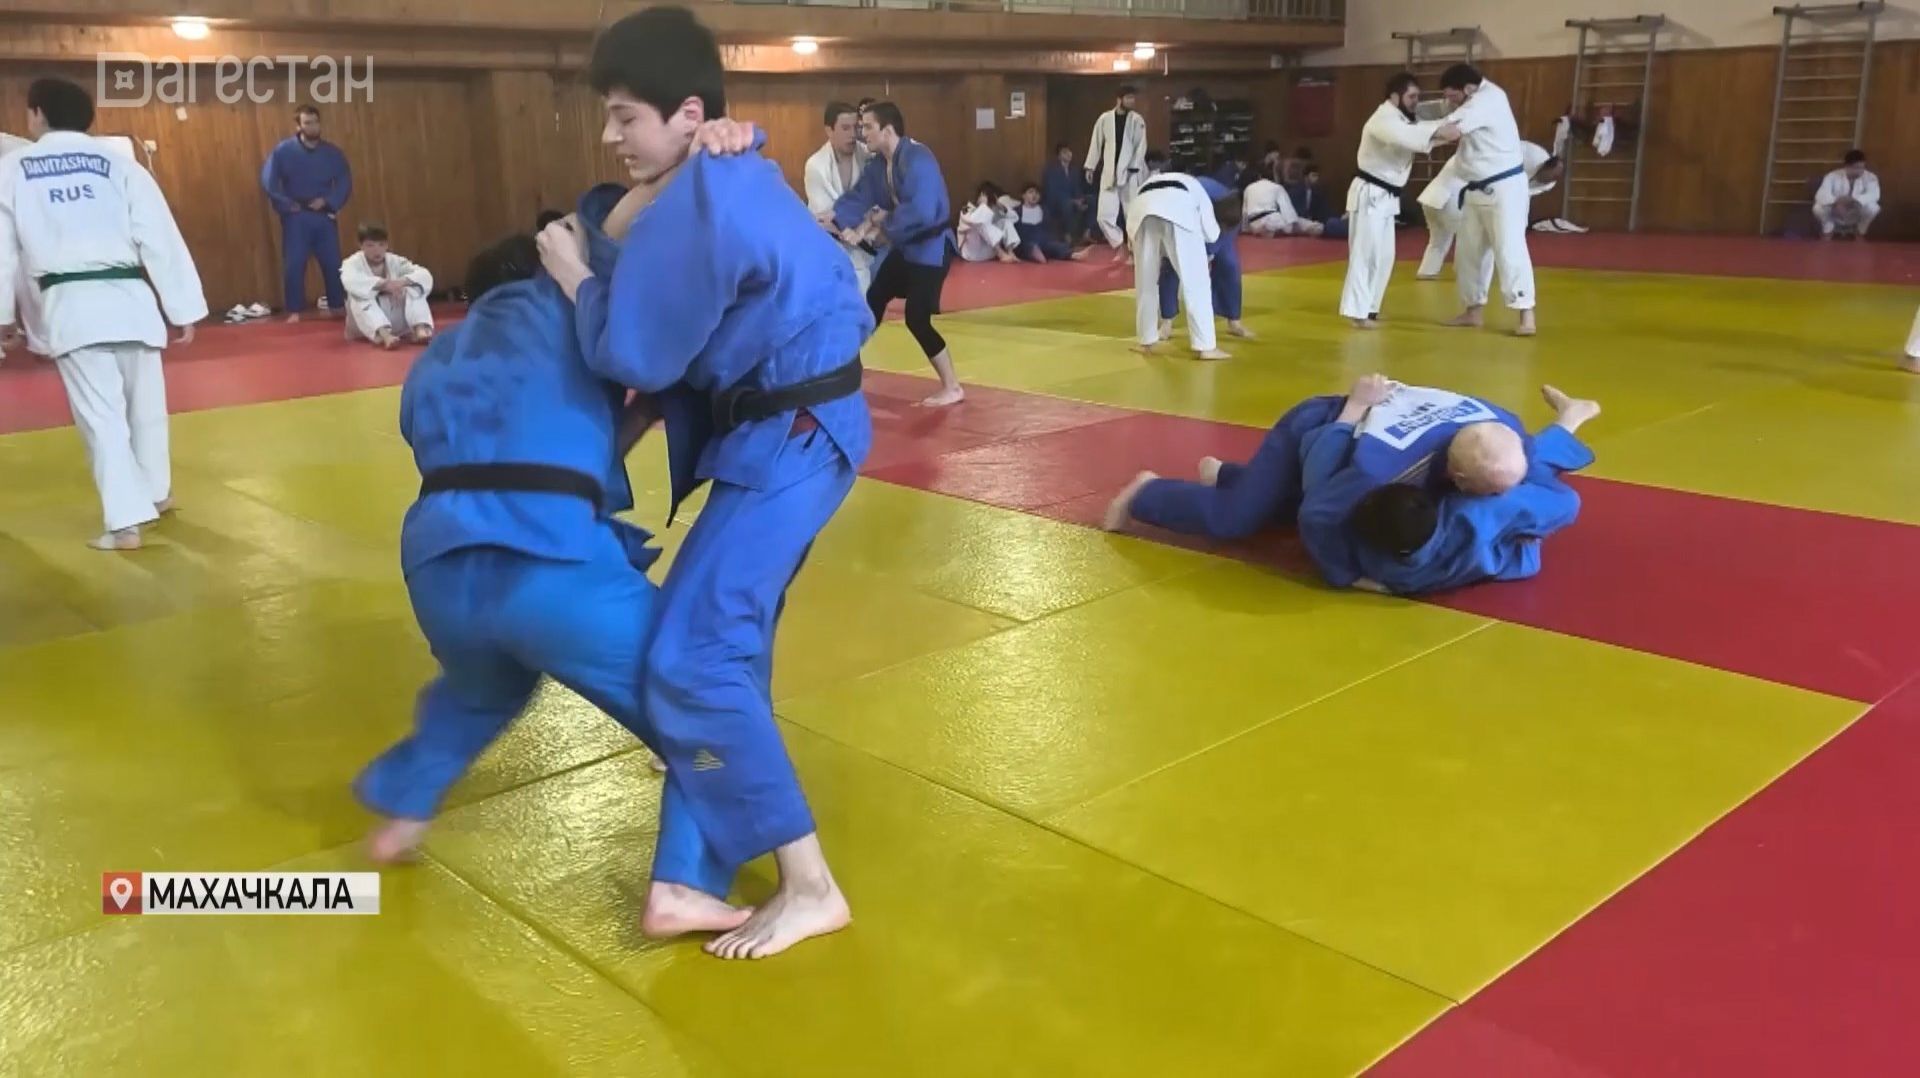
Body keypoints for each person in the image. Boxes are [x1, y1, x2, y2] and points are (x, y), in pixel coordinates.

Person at [536, 5, 868, 960]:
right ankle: (692, 855)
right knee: (720, 640)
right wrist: (713, 138)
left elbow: (635, 351)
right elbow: (639, 224)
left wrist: (572, 276)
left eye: (626, 117)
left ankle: (811, 887)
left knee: (694, 657)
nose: (611, 135)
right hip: (794, 431)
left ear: (686, 113)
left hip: (794, 439)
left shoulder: (703, 202)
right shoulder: (723, 167)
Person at [353, 226, 746, 941]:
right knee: (703, 695)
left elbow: (512, 445)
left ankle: (403, 809)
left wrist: (634, 416)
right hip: (547, 558)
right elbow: (651, 351)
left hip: (437, 561)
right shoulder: (574, 316)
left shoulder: (436, 357)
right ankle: (685, 884)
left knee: (481, 690)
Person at [0, 77, 206, 551]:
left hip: (73, 307)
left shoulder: (12, 170)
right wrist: (183, 306)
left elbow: (4, 252)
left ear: (37, 113)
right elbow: (159, 234)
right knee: (146, 410)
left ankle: (125, 525)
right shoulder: (119, 164)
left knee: (103, 417)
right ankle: (156, 493)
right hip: (133, 300)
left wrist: (4, 315)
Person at [1103, 375, 1530, 542]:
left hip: (1359, 430)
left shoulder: (1504, 427)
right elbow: (1317, 503)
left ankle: (1229, 476)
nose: (1499, 499)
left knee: (1277, 500)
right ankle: (1147, 492)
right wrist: (1350, 575)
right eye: (1491, 491)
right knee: (1235, 520)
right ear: (1457, 476)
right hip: (1317, 427)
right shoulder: (1383, 468)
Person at [1296, 380, 1600, 595]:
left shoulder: (1388, 571)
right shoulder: (1470, 513)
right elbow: (1565, 502)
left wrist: (1349, 578)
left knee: (1510, 467)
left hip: (1505, 558)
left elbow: (1316, 515)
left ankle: (1568, 420)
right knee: (1524, 473)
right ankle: (1569, 419)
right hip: (1510, 549)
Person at [833, 100, 963, 407]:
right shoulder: (880, 165)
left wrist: (886, 222)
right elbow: (859, 196)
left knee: (916, 317)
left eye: (868, 127)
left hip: (932, 248)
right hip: (907, 247)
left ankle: (953, 386)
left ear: (887, 130)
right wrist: (836, 216)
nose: (863, 133)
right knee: (875, 297)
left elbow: (923, 211)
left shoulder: (919, 159)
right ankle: (843, 367)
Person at [1340, 73, 1456, 329]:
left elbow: (1419, 130)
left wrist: (1452, 123)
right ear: (1395, 96)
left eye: (1417, 97)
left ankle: (1370, 308)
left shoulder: (1402, 119)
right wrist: (1442, 131)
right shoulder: (1383, 119)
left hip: (1387, 197)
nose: (1416, 102)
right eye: (1411, 96)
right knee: (1365, 254)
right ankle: (1356, 312)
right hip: (1370, 193)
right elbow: (1410, 137)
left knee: (1385, 256)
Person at [1438, 64, 1538, 336]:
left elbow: (1450, 131)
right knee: (1468, 253)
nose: (1450, 102)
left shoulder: (1487, 100)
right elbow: (1442, 113)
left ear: (1468, 89)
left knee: (1509, 249)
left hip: (1504, 188)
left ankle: (1526, 314)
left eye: (1453, 96)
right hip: (1474, 188)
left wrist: (1409, 134)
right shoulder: (1470, 100)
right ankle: (1473, 311)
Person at [1127, 163, 1239, 361]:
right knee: (1197, 282)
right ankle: (1206, 347)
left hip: (1140, 210)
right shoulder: (1198, 191)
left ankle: (1146, 341)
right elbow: (1212, 234)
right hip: (1178, 210)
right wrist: (1205, 255)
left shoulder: (1169, 180)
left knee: (1145, 281)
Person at [1417, 142, 1563, 280]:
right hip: (1450, 200)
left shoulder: (1546, 182)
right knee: (1476, 238)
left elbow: (1522, 197)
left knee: (1438, 240)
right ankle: (1468, 276)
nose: (1545, 181)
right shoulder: (1524, 153)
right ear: (1545, 166)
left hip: (1431, 200)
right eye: (1547, 177)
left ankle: (1427, 271)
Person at [261, 104, 351, 323]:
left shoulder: (332, 153)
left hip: (323, 214)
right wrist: (286, 204)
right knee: (294, 263)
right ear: (298, 126)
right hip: (296, 215)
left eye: (315, 122)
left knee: (332, 262)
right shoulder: (283, 151)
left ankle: (337, 305)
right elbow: (269, 181)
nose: (312, 127)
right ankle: (294, 310)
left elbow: (344, 181)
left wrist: (328, 201)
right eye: (307, 123)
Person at [1157, 173, 1251, 341]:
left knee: (1229, 264)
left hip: (1220, 212)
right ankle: (1166, 322)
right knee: (1170, 265)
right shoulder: (1184, 206)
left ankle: (1234, 321)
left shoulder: (1231, 210)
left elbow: (1220, 238)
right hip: (1184, 217)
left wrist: (1209, 253)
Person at [802, 101, 874, 291]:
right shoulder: (816, 165)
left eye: (856, 127)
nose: (853, 134)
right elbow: (825, 218)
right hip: (828, 243)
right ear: (829, 130)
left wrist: (863, 229)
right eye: (845, 128)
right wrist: (861, 225)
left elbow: (877, 202)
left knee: (865, 298)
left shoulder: (867, 155)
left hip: (863, 245)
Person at [339, 223, 434, 348]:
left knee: (414, 288)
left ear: (387, 245)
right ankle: (385, 336)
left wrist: (402, 282)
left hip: (396, 318)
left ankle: (420, 329)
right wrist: (384, 285)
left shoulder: (395, 261)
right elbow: (350, 281)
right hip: (366, 325)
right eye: (370, 245)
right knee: (359, 296)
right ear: (361, 246)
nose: (376, 250)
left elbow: (424, 274)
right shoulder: (352, 263)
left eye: (381, 245)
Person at [1086, 85, 1147, 257]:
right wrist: (1090, 166)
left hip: (1130, 174)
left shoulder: (1137, 120)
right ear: (1119, 99)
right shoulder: (1105, 119)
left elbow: (1141, 146)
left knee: (1132, 215)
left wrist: (1134, 167)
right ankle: (1120, 244)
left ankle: (1135, 251)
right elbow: (1096, 143)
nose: (1132, 101)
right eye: (1128, 98)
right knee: (1103, 217)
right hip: (1109, 174)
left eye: (1133, 98)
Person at [1814, 149, 1880, 240]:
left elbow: (1874, 195)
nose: (1860, 171)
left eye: (1862, 167)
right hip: (1835, 213)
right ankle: (1828, 229)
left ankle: (1860, 231)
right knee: (1818, 208)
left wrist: (1853, 200)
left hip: (1856, 212)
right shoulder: (1832, 176)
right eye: (1856, 168)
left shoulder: (1870, 177)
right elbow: (1821, 195)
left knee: (1873, 208)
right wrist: (1836, 202)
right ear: (1846, 166)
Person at [1013, 182, 1086, 263]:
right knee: (1027, 246)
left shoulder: (1044, 210)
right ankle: (1035, 253)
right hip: (1026, 239)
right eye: (1031, 192)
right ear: (1023, 195)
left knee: (1056, 246)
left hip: (1043, 240)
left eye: (1037, 193)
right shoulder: (1017, 211)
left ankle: (1072, 255)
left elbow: (1048, 229)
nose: (1034, 195)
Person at [956, 183, 1021, 264]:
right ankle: (1001, 254)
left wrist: (1000, 206)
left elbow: (1014, 218)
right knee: (980, 223)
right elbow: (973, 220)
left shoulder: (994, 208)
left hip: (989, 252)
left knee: (1005, 222)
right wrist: (983, 205)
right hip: (971, 253)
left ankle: (1010, 252)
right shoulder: (966, 207)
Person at [1041, 142, 1091, 245]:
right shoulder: (1051, 170)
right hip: (1056, 202)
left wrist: (1080, 199)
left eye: (1069, 151)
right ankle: (1067, 236)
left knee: (1092, 200)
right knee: (1066, 204)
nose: (1068, 154)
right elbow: (1052, 192)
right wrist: (1073, 201)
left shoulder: (1074, 170)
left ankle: (1087, 233)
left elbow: (1078, 188)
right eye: (1064, 152)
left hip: (1073, 200)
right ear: (1059, 156)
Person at [1241, 177, 1322, 237]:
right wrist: (1293, 224)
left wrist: (1245, 229)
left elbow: (1245, 212)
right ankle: (1319, 229)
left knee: (1278, 221)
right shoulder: (1277, 187)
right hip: (1271, 218)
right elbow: (1287, 208)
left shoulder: (1248, 188)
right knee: (1306, 224)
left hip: (1254, 223)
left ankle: (1270, 229)